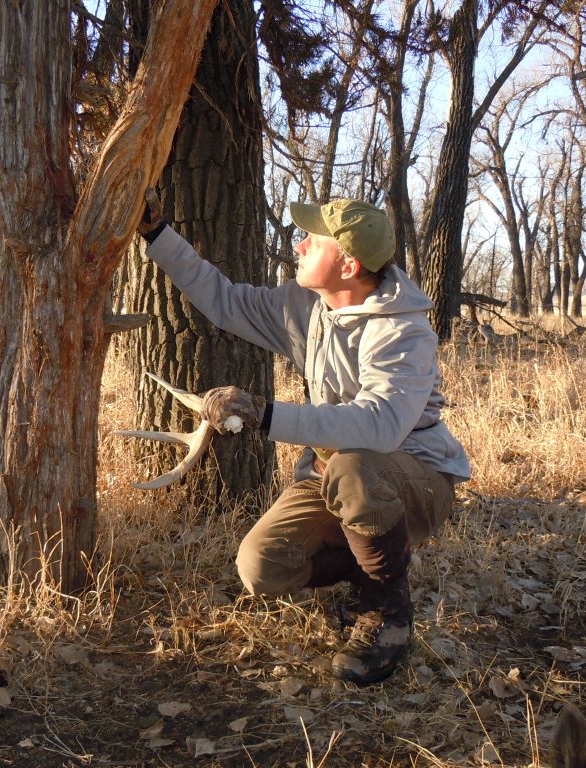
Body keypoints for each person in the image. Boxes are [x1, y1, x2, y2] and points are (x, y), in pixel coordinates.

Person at [139, 192, 470, 685]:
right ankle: (370, 562)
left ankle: (389, 612)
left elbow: (380, 427)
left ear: (349, 264)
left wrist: (265, 416)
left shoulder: (406, 332)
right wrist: (156, 234)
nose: (297, 246)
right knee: (261, 568)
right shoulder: (306, 304)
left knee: (353, 465)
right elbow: (227, 302)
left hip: (415, 481)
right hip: (334, 476)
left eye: (312, 241)